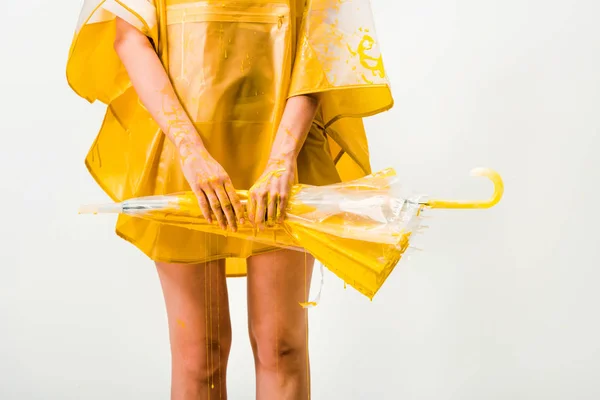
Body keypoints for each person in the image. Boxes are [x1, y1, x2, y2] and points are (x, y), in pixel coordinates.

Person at [66, 0, 393, 398]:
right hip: (184, 156)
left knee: (282, 346)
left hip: (286, 146)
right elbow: (130, 36)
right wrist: (189, 150)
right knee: (198, 355)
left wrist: (283, 156)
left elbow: (323, 40)